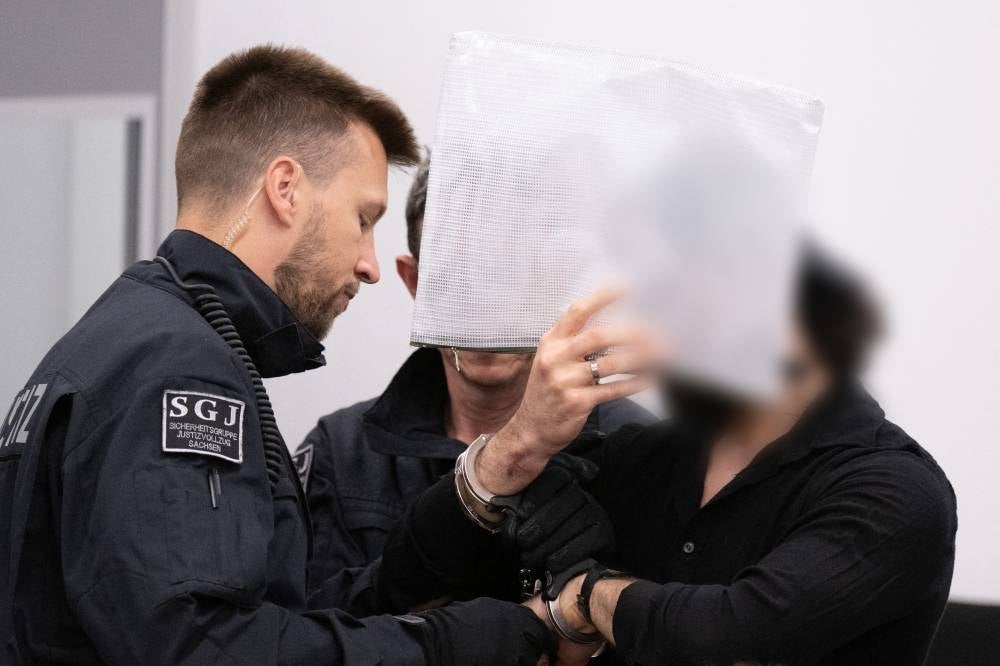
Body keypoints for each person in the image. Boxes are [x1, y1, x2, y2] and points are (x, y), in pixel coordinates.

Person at [0, 45, 577, 665]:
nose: (370, 265)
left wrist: (465, 514)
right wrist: (442, 649)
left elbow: (271, 617)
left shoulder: (125, 336)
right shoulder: (179, 367)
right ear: (285, 189)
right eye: (363, 219)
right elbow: (203, 649)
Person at [454, 249, 957, 665]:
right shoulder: (647, 452)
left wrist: (587, 597)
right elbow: (445, 571)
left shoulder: (895, 489)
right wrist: (525, 437)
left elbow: (728, 636)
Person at [296, 153, 653, 590]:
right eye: (457, 275)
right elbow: (313, 622)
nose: (486, 305)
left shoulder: (637, 448)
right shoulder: (342, 453)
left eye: (512, 271)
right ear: (414, 282)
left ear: (555, 280)